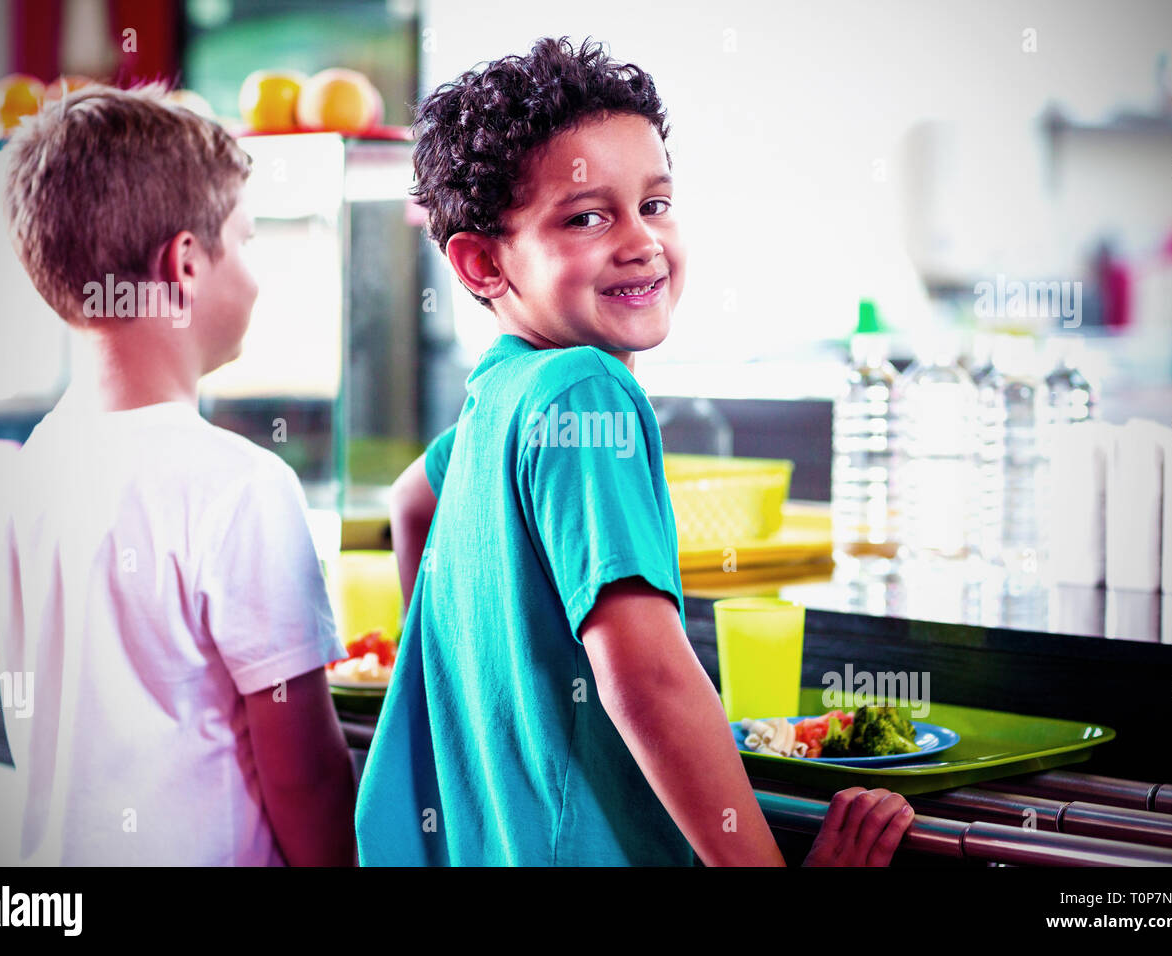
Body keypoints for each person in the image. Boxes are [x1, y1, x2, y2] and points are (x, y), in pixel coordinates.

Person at [359, 37, 915, 866]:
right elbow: (648, 678)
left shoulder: (498, 395)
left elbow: (411, 500)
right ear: (480, 263)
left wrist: (477, 693)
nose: (640, 242)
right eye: (586, 217)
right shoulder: (585, 389)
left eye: (653, 204)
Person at [0, 84, 356, 865]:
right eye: (248, 241)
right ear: (186, 262)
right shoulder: (243, 487)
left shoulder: (33, 470)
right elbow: (306, 777)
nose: (255, 274)